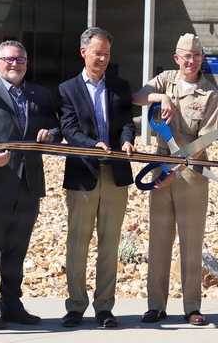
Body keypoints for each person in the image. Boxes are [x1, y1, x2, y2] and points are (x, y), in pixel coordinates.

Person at [0, 40, 62, 329]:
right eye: (8, 59)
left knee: (17, 249)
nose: (14, 64)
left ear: (27, 64)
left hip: (29, 183)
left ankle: (12, 305)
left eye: (20, 60)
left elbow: (56, 126)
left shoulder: (41, 94)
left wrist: (51, 134)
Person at [133, 33, 218, 327]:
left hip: (192, 171)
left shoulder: (210, 94)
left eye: (197, 56)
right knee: (159, 239)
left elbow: (206, 140)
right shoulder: (166, 79)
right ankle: (155, 305)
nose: (191, 61)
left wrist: (176, 172)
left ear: (201, 60)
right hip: (160, 163)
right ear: (177, 58)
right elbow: (137, 97)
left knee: (191, 241)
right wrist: (160, 96)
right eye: (186, 56)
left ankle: (192, 306)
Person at [58, 27, 137, 329]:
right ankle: (76, 305)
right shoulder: (67, 89)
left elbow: (128, 123)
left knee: (110, 244)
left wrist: (128, 140)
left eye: (106, 53)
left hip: (115, 175)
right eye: (97, 53)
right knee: (77, 243)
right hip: (83, 174)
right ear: (84, 53)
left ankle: (105, 307)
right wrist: (93, 145)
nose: (102, 58)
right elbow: (69, 130)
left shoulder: (120, 86)